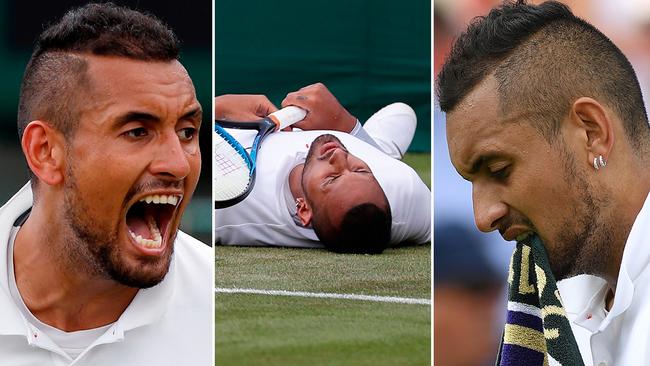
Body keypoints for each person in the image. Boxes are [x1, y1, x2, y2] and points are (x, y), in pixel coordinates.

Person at [437, 1, 650, 364]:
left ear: (591, 133)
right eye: (471, 181)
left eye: (499, 169)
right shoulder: (554, 315)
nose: (483, 217)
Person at [0, 3, 211, 365]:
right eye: (137, 132)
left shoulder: (216, 305)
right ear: (46, 152)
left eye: (187, 132)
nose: (177, 163)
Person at [215, 83, 431, 254]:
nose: (338, 155)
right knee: (402, 113)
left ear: (304, 209)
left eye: (331, 178)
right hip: (369, 149)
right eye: (360, 170)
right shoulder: (404, 191)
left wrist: (218, 106)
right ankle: (379, 149)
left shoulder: (225, 212)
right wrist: (346, 126)